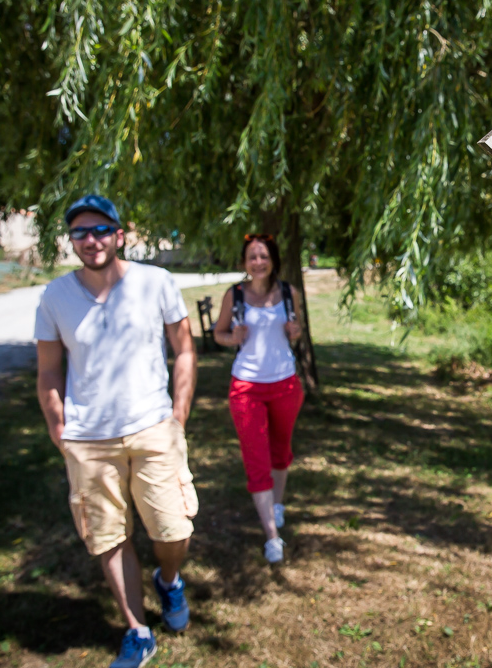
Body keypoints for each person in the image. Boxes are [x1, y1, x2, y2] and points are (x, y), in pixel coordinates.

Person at [35, 194, 199, 668]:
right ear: (72, 242)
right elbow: (48, 371)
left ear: (119, 234)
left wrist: (179, 415)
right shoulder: (55, 297)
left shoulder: (157, 282)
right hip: (88, 439)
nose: (92, 240)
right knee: (108, 536)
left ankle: (168, 580)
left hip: (153, 427)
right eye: (81, 233)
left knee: (172, 529)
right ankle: (138, 630)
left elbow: (184, 349)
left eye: (101, 230)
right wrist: (59, 428)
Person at [213, 233, 305, 564]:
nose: (258, 262)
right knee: (256, 459)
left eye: (263, 256)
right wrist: (231, 338)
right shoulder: (234, 295)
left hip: (285, 384)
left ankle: (277, 505)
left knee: (281, 451)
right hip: (246, 387)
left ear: (273, 260)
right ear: (244, 263)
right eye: (252, 257)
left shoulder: (288, 293)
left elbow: (295, 329)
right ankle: (272, 537)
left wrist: (295, 332)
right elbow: (218, 334)